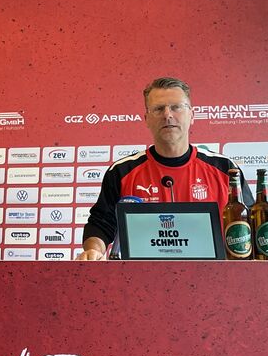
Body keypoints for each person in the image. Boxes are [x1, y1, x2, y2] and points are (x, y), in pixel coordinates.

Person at [78, 77, 254, 261]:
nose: (167, 115)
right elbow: (101, 224)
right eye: (158, 109)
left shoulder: (226, 169)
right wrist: (94, 251)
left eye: (176, 107)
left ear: (192, 115)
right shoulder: (122, 171)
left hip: (214, 280)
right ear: (146, 119)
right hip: (140, 281)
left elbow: (250, 223)